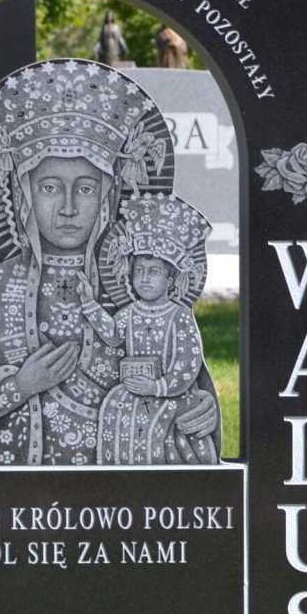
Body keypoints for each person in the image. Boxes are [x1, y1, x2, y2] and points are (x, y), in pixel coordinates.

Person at [0, 60, 222, 466]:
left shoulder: (139, 291)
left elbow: (185, 381)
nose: (68, 207)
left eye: (86, 187)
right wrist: (16, 386)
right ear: (23, 195)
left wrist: (203, 411)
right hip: (10, 512)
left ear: (110, 196)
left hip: (129, 507)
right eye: (49, 187)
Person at [77, 193, 215, 464]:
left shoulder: (179, 316)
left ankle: (154, 483)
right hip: (129, 392)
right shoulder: (129, 313)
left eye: (153, 272)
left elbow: (188, 364)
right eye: (139, 271)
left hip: (170, 394)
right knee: (113, 410)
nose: (144, 279)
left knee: (153, 426)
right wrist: (89, 303)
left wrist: (158, 386)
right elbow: (114, 337)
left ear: (171, 278)